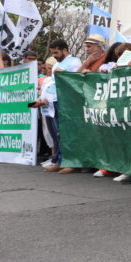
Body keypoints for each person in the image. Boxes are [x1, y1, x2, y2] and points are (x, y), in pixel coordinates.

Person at [44, 39, 82, 173]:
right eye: (53, 53)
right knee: (57, 133)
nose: (54, 55)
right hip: (54, 100)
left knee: (68, 133)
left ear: (64, 50)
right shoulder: (56, 65)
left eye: (56, 52)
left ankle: (73, 162)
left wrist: (64, 74)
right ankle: (59, 160)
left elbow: (77, 79)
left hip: (68, 101)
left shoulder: (75, 62)